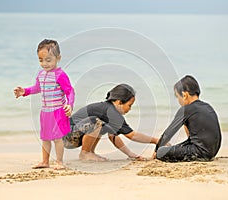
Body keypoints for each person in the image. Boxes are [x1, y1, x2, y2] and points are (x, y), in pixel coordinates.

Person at [14, 39, 75, 170]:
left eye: (48, 60)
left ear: (58, 58)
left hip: (58, 111)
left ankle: (59, 162)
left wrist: (69, 105)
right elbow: (37, 88)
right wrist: (25, 91)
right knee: (45, 138)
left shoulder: (61, 75)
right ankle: (45, 161)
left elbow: (70, 91)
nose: (44, 64)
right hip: (45, 112)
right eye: (41, 60)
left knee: (57, 138)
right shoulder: (41, 74)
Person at [62, 84, 158, 161]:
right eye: (129, 105)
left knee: (101, 125)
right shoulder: (110, 112)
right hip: (67, 136)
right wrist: (155, 140)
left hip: (75, 136)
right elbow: (132, 135)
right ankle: (85, 153)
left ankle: (90, 152)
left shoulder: (110, 112)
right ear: (119, 102)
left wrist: (130, 154)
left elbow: (113, 136)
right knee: (96, 122)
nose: (130, 109)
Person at [154, 75, 221, 162]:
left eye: (178, 97)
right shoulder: (207, 107)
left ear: (184, 95)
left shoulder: (186, 110)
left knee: (161, 152)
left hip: (200, 153)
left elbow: (168, 134)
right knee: (173, 147)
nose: (178, 101)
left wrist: (156, 151)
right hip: (212, 152)